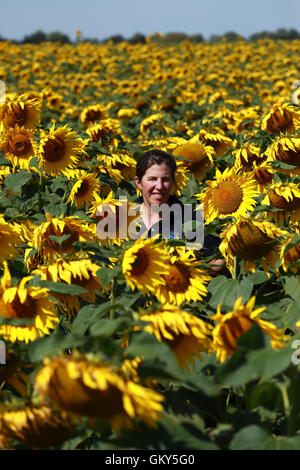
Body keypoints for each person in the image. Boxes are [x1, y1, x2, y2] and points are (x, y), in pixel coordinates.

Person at [133, 149, 225, 271]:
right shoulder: (123, 217)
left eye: (165, 179)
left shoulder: (191, 217)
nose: (159, 187)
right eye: (152, 179)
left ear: (173, 182)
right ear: (138, 182)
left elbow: (216, 262)